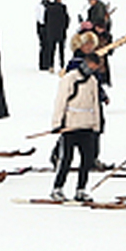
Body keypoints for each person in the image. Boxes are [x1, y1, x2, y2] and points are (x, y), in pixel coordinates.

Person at [49, 49, 105, 203]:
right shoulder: (70, 78)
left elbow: (95, 104)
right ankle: (57, 187)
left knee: (87, 159)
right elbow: (61, 101)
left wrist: (96, 125)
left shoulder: (92, 80)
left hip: (86, 125)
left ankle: (81, 189)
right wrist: (57, 123)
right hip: (71, 125)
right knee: (66, 158)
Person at [37, 0, 69, 72]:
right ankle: (62, 65)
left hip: (51, 32)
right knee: (61, 50)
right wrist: (64, 28)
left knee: (51, 50)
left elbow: (45, 20)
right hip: (61, 32)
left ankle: (51, 66)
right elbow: (66, 19)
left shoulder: (49, 8)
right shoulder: (63, 7)